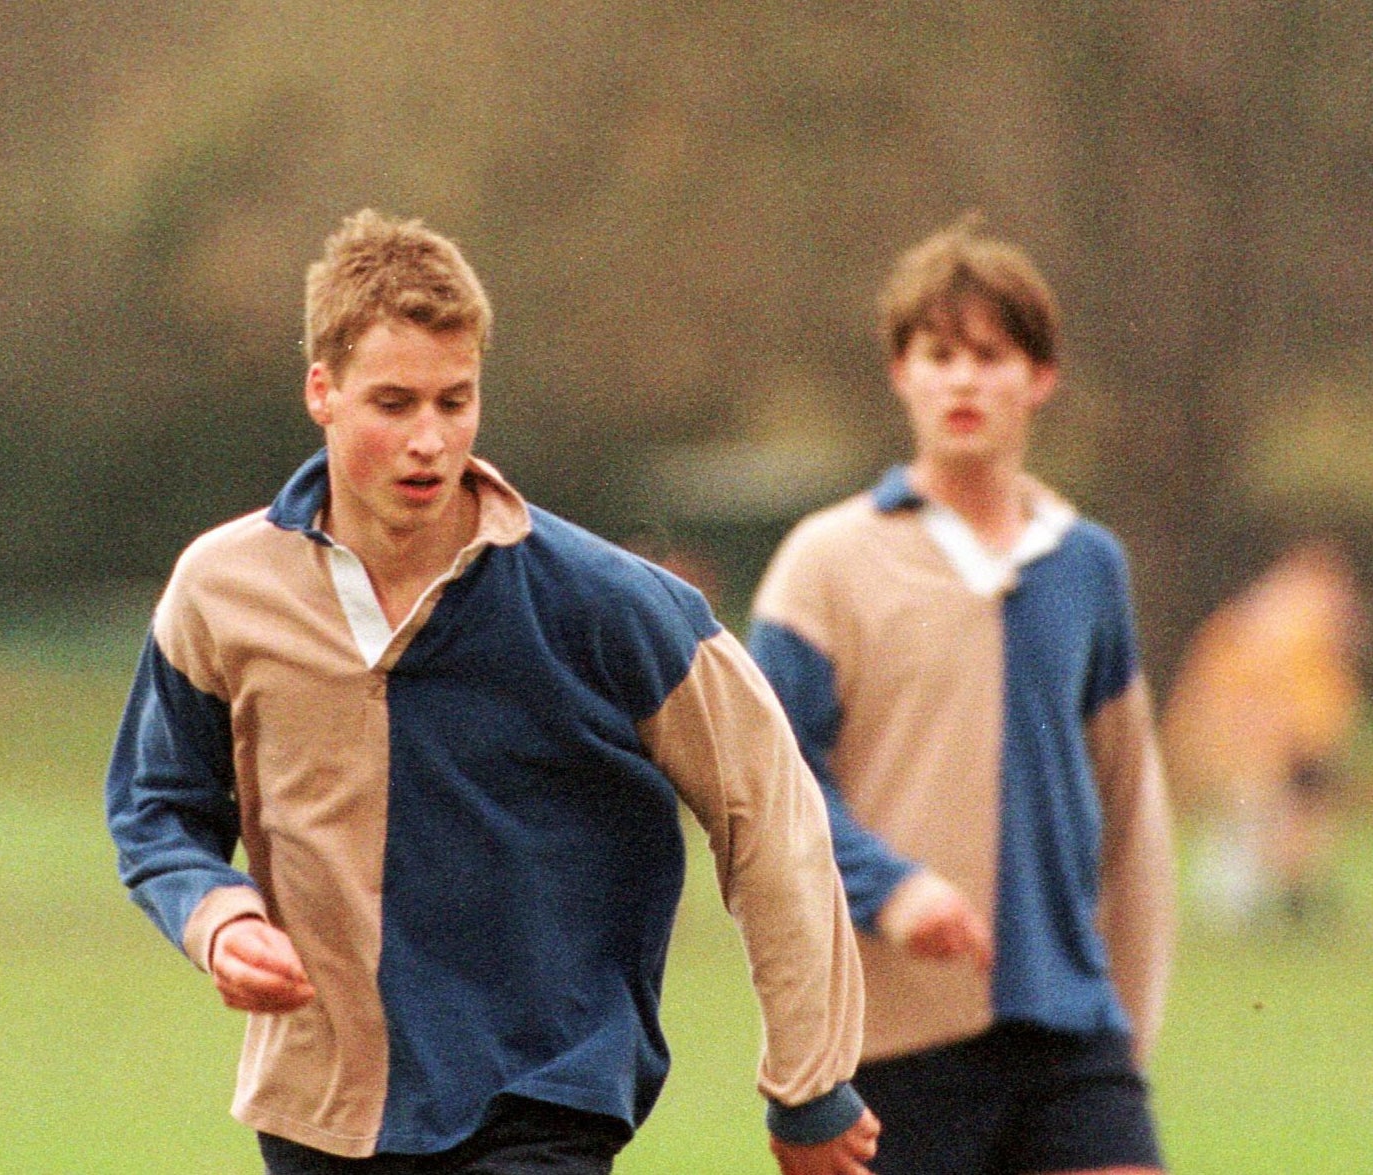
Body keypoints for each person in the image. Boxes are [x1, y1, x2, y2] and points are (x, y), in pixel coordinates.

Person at [106, 208, 879, 1175]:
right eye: (393, 404)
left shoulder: (611, 607)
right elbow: (156, 807)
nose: (429, 440)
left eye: (453, 401)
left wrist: (809, 1085)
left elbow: (770, 816)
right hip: (319, 1111)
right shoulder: (221, 589)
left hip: (540, 1100)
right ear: (323, 391)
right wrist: (216, 917)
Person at [747, 217, 1176, 1175]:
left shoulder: (1086, 565)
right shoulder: (825, 562)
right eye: (938, 353)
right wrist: (888, 886)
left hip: (1070, 1030)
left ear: (1040, 378)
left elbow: (1127, 807)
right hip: (892, 1040)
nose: (964, 379)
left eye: (991, 354)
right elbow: (768, 785)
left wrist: (1126, 1019)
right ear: (901, 372)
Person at [1162, 537, 1366, 926]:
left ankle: (1273, 900)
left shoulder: (1273, 616)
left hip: (1303, 733)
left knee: (1287, 818)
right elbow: (1252, 686)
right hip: (1280, 733)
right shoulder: (1284, 618)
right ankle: (1241, 904)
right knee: (1259, 818)